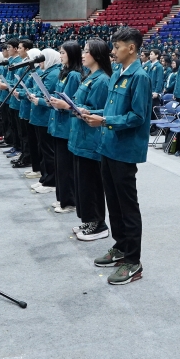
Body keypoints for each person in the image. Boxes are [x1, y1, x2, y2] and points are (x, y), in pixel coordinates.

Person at [79, 27, 151, 285]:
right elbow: (110, 108)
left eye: (118, 46)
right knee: (114, 202)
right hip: (108, 146)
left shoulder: (139, 76)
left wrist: (105, 120)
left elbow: (138, 116)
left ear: (131, 48)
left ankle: (133, 261)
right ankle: (120, 247)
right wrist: (90, 112)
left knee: (127, 206)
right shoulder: (118, 73)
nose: (113, 51)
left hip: (124, 149)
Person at [63, 38, 113, 241]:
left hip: (91, 140)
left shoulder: (102, 80)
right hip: (80, 138)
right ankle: (87, 220)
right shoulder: (90, 77)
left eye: (86, 51)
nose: (82, 54)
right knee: (82, 183)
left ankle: (98, 224)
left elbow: (105, 112)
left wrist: (84, 110)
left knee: (91, 184)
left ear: (97, 54)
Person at [28, 49, 63, 198]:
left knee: (48, 151)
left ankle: (51, 181)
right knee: (42, 150)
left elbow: (49, 95)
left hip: (45, 116)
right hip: (39, 115)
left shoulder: (53, 73)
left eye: (42, 60)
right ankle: (44, 177)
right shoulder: (47, 71)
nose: (40, 63)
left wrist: (38, 99)